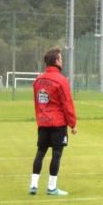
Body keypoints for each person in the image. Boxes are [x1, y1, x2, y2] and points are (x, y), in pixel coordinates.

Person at [29, 47, 77, 196]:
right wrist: (72, 123)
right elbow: (67, 103)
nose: (62, 61)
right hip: (57, 124)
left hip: (43, 123)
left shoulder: (38, 80)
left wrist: (40, 118)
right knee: (57, 153)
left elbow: (37, 103)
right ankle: (51, 187)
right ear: (56, 61)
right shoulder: (61, 80)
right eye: (61, 59)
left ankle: (33, 185)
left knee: (40, 151)